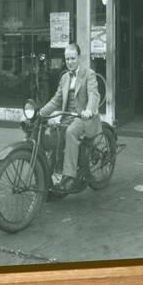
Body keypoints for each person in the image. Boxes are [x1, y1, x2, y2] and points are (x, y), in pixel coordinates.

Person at [39, 43, 102, 192]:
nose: (70, 62)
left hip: (84, 117)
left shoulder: (89, 74)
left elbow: (94, 94)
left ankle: (69, 176)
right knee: (52, 133)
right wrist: (40, 113)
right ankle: (52, 171)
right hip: (67, 116)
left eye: (73, 58)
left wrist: (89, 110)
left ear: (79, 58)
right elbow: (56, 100)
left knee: (70, 132)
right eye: (67, 59)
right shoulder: (64, 78)